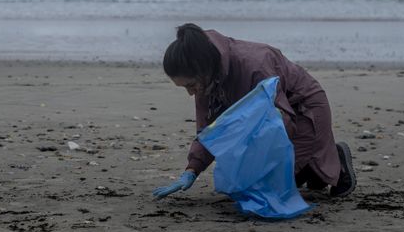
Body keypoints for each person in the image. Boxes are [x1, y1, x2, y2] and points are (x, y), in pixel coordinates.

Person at [152, 23, 356, 200]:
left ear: (201, 68)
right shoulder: (206, 79)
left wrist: (255, 166)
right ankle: (308, 169)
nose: (191, 93)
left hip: (302, 110)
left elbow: (281, 122)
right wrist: (191, 170)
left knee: (261, 190)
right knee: (249, 183)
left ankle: (336, 163)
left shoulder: (254, 65)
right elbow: (209, 132)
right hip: (262, 121)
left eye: (191, 85)